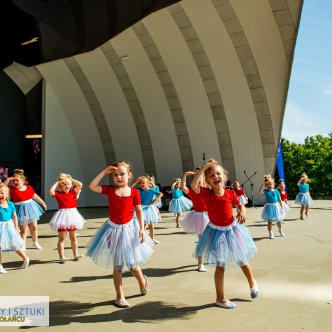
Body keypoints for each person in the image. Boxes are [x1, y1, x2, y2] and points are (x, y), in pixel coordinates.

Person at [191, 160, 258, 309]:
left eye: (218, 173)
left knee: (242, 259)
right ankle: (220, 298)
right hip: (216, 233)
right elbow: (193, 185)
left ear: (224, 177)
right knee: (220, 265)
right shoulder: (206, 193)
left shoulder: (230, 193)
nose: (215, 176)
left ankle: (252, 282)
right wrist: (203, 168)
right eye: (211, 175)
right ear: (208, 181)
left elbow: (239, 204)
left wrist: (243, 210)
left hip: (232, 231)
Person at [86, 161, 154, 308]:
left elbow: (139, 211)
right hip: (113, 230)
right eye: (115, 175)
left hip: (130, 230)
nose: (118, 177)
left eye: (122, 174)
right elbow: (91, 186)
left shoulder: (134, 192)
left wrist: (142, 229)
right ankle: (119, 296)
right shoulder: (110, 190)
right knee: (117, 266)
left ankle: (143, 282)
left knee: (133, 265)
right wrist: (104, 172)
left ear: (129, 175)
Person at [5, 169, 46, 250]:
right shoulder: (11, 189)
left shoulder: (29, 188)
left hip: (31, 208)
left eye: (17, 180)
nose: (15, 182)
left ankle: (35, 242)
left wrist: (43, 203)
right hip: (20, 210)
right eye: (14, 181)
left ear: (23, 181)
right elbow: (3, 186)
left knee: (34, 227)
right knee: (23, 229)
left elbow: (35, 196)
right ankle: (22, 244)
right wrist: (8, 179)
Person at [48, 173, 85, 263]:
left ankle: (75, 254)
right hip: (62, 217)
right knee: (62, 238)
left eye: (68, 184)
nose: (66, 185)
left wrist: (71, 179)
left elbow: (80, 184)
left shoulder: (73, 192)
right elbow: (51, 191)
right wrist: (58, 182)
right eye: (64, 184)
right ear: (60, 186)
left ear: (71, 185)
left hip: (72, 216)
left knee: (73, 237)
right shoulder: (58, 194)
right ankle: (62, 256)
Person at [180, 169, 209, 272]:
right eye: (195, 179)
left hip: (211, 216)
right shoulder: (192, 191)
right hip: (200, 217)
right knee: (201, 241)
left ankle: (214, 257)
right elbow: (183, 187)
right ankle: (200, 263)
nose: (197, 181)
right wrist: (185, 174)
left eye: (200, 178)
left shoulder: (208, 190)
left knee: (214, 239)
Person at [0, 183, 30, 273]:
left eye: (2, 193)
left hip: (9, 227)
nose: (0, 195)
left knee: (15, 244)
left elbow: (14, 216)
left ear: (7, 194)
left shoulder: (11, 204)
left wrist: (16, 227)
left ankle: (25, 258)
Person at [131, 176, 163, 244]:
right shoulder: (139, 190)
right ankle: (142, 239)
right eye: (140, 183)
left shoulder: (151, 190)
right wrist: (136, 181)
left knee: (151, 225)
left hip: (149, 209)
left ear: (148, 184)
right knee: (143, 225)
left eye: (143, 183)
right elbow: (130, 188)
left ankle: (152, 238)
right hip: (142, 208)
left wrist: (154, 200)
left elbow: (161, 194)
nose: (141, 184)